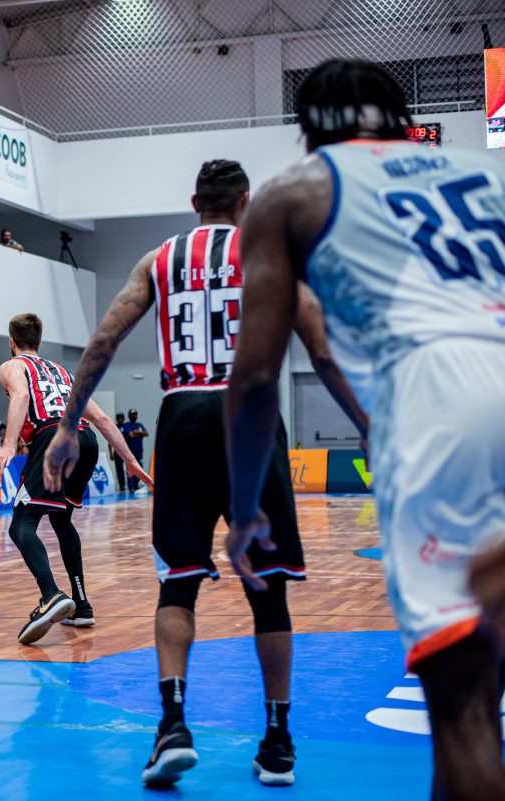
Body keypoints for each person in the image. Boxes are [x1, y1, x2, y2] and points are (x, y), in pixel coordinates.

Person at [223, 60, 505, 800]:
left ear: (308, 130)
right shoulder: (488, 170)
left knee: (467, 712)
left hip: (443, 404)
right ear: (402, 116)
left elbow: (254, 378)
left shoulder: (296, 190)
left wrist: (246, 508)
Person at [46, 158, 364, 788]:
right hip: (254, 414)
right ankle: (277, 740)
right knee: (268, 589)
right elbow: (324, 352)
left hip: (185, 415)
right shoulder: (272, 256)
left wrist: (67, 426)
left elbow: (104, 342)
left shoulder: (159, 260)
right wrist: (367, 424)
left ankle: (172, 725)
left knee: (178, 583)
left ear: (195, 203)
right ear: (246, 203)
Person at [0, 313, 151, 647]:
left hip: (53, 437)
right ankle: (82, 605)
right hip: (87, 440)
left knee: (21, 525)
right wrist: (131, 462)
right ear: (39, 340)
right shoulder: (62, 373)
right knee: (62, 520)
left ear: (11, 342)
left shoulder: (12, 366)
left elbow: (20, 397)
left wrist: (8, 445)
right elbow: (101, 418)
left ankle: (50, 595)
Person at [119, 409, 149, 492]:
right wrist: (140, 433)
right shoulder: (126, 425)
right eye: (132, 414)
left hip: (139, 451)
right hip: (131, 452)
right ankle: (131, 486)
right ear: (129, 416)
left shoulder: (139, 425)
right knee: (131, 468)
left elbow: (146, 433)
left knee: (139, 468)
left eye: (135, 414)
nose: (134, 416)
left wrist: (137, 432)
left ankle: (136, 485)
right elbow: (131, 434)